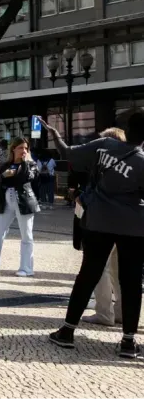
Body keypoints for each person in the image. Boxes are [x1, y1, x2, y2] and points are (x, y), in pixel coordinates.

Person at [44, 114, 144, 358]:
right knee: (131, 281)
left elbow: (67, 152)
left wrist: (55, 134)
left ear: (126, 129)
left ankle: (67, 331)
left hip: (99, 220)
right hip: (133, 224)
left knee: (88, 274)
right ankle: (128, 342)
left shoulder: (104, 146)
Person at [82, 128, 126, 326]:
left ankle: (104, 312)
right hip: (127, 226)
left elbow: (94, 193)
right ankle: (122, 312)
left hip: (103, 224)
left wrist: (81, 198)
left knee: (99, 267)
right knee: (120, 270)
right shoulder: (133, 163)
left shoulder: (103, 166)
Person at [0, 137, 39, 277]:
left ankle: (26, 268)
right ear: (13, 149)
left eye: (25, 148)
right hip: (6, 202)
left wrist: (25, 162)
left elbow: (29, 177)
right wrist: (4, 175)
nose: (23, 151)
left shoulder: (31, 164)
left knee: (26, 235)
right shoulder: (6, 165)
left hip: (24, 201)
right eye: (20, 148)